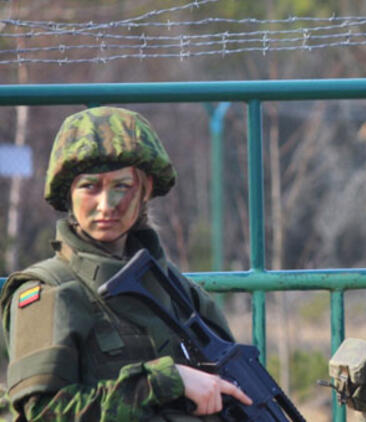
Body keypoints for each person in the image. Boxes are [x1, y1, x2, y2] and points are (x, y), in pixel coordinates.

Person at [0, 106, 252, 421]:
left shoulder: (182, 294)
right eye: (89, 187)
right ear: (68, 195)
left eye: (122, 186)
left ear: (145, 190)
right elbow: (44, 412)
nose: (107, 205)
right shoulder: (49, 291)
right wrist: (164, 382)